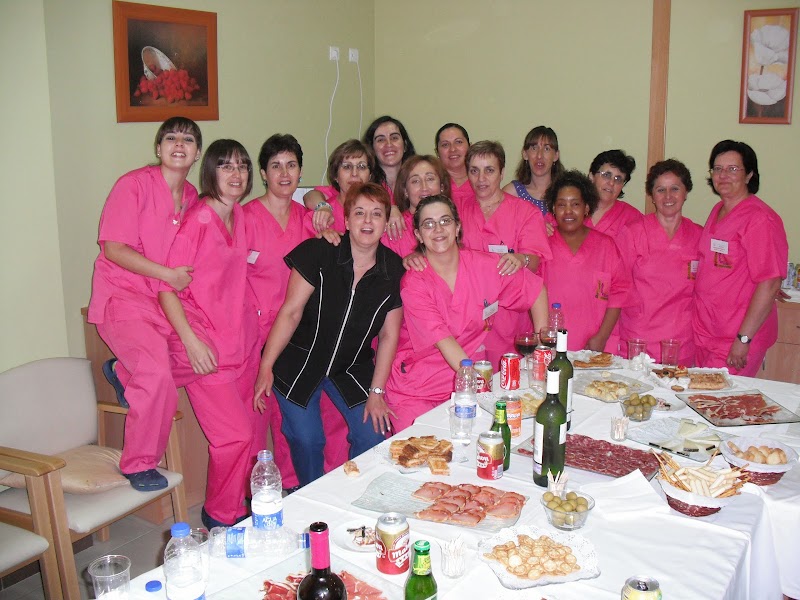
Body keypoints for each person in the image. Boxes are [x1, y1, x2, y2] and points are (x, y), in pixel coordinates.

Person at [253, 182, 404, 486]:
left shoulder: (394, 270)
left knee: (373, 433)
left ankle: (353, 494)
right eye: (359, 213)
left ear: (386, 223)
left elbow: (389, 335)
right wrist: (266, 366)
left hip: (352, 366)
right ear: (345, 220)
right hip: (298, 360)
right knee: (308, 440)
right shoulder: (319, 252)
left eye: (376, 214)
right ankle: (311, 498)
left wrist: (376, 393)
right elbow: (291, 312)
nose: (367, 221)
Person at [89, 116, 203, 492]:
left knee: (210, 355)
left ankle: (124, 373)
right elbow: (114, 248)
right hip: (123, 298)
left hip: (164, 303)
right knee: (155, 375)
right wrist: (167, 274)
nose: (179, 144)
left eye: (188, 139)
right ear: (158, 148)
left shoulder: (192, 198)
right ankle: (138, 463)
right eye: (171, 138)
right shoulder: (133, 185)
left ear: (197, 153)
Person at [158, 139, 261, 529]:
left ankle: (236, 508)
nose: (236, 174)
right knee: (234, 437)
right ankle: (218, 514)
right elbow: (167, 288)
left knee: (247, 437)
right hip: (206, 346)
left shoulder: (241, 215)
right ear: (210, 172)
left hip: (241, 342)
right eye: (226, 166)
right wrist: (191, 342)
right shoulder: (199, 222)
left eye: (242, 166)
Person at [384, 195, 548, 432]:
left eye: (445, 221)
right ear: (418, 235)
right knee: (421, 450)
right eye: (428, 224)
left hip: (465, 384)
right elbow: (445, 341)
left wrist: (542, 352)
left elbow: (536, 290)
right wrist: (479, 387)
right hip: (417, 391)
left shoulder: (486, 266)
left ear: (458, 227)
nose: (438, 229)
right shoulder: (414, 282)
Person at [243, 133, 349, 494]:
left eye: (291, 165)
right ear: (263, 173)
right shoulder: (245, 219)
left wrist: (328, 224)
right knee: (262, 417)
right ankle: (266, 491)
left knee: (298, 417)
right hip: (256, 331)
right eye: (276, 166)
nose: (284, 173)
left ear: (300, 171)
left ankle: (302, 486)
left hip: (303, 334)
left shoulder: (312, 220)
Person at [693, 140, 788, 376]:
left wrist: (743, 339)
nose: (723, 175)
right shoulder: (718, 210)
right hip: (707, 333)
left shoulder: (760, 219)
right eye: (718, 168)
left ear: (749, 175)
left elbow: (769, 282)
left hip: (736, 338)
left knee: (720, 398)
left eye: (733, 169)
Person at [460, 140, 552, 366]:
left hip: (510, 320)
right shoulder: (456, 210)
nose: (481, 179)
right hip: (467, 319)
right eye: (474, 171)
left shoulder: (525, 212)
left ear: (502, 173)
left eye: (489, 170)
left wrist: (521, 259)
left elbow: (535, 261)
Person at [617, 160, 702, 365]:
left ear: (686, 192)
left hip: (681, 342)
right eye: (660, 190)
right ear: (652, 196)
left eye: (675, 189)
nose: (668, 196)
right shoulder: (633, 232)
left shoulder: (699, 236)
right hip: (638, 340)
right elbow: (617, 287)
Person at [542, 170, 632, 353]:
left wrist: (602, 337)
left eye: (575, 204)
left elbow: (619, 294)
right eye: (561, 205)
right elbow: (532, 294)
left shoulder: (606, 246)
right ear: (553, 209)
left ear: (586, 208)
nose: (568, 211)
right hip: (551, 344)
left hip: (596, 346)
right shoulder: (543, 244)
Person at [384, 154, 451, 258]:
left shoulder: (453, 222)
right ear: (405, 191)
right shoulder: (394, 229)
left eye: (430, 179)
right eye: (415, 181)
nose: (424, 187)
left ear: (441, 186)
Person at [302, 139, 374, 233]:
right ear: (335, 175)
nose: (354, 173)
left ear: (370, 175)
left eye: (362, 167)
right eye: (347, 167)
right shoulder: (319, 217)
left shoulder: (379, 214)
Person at [362, 116, 416, 239]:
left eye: (394, 138)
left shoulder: (419, 182)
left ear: (405, 145)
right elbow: (324, 194)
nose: (389, 144)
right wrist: (387, 208)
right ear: (372, 148)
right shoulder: (364, 183)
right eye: (381, 140)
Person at [503, 125, 564, 215]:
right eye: (534, 148)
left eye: (546, 149)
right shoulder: (511, 193)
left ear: (556, 155)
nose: (539, 156)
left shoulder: (565, 193)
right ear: (525, 154)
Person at [587, 149, 642, 238]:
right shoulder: (574, 208)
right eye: (606, 175)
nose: (611, 183)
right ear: (591, 176)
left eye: (618, 179)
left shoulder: (632, 217)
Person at [435, 123, 473, 204]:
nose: (452, 149)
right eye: (445, 145)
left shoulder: (481, 180)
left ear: (470, 147)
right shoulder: (432, 184)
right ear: (437, 152)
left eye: (458, 142)